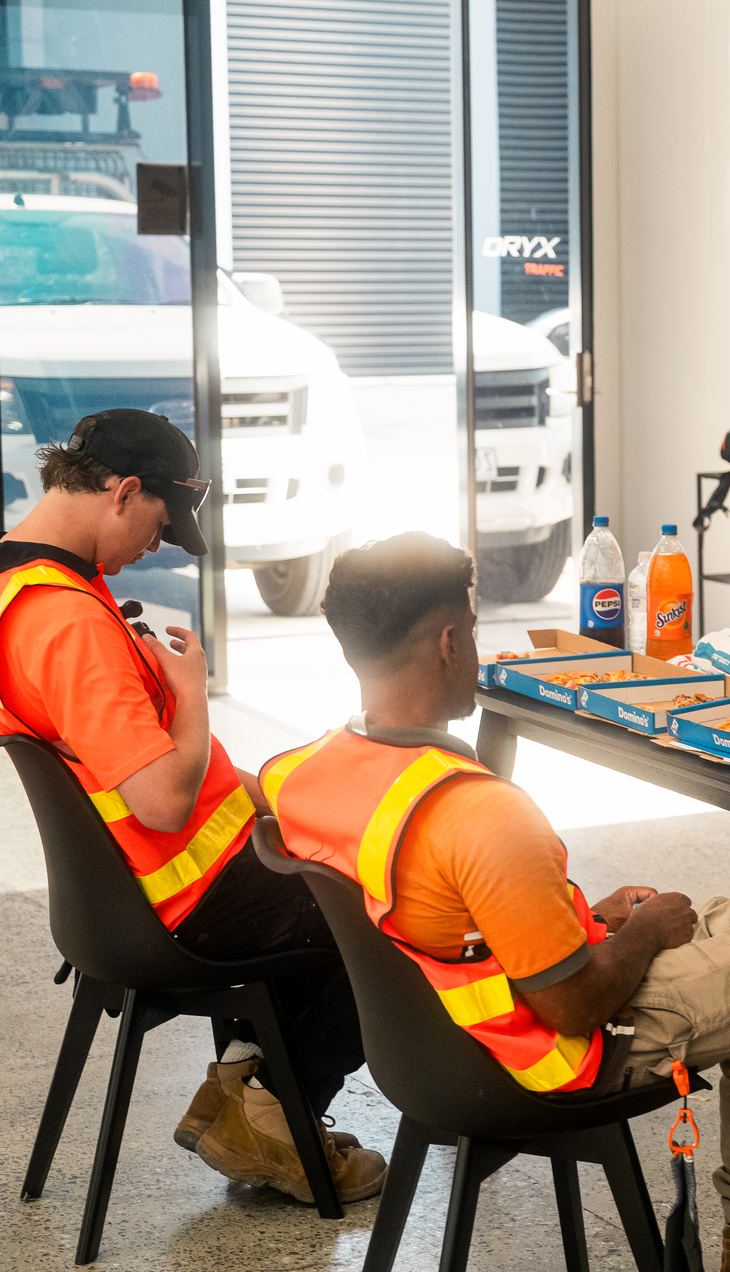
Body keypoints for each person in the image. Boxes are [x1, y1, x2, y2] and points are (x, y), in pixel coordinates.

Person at [266, 533, 730, 1272]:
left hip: (427, 1053)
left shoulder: (299, 774)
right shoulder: (482, 812)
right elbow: (575, 1004)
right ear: (451, 641)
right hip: (551, 1051)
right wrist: (642, 932)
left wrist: (594, 918)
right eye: (476, 630)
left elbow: (449, 913)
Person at [0, 409, 382, 1204]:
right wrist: (192, 696)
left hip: (146, 891)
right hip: (182, 898)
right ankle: (274, 1115)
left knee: (333, 854)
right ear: (124, 490)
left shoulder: (33, 585)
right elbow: (167, 800)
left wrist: (281, 800)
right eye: (160, 524)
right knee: (378, 905)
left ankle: (251, 1094)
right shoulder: (65, 622)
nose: (157, 546)